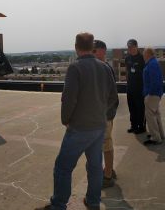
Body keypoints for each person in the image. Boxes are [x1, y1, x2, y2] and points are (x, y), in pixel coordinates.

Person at [42, 33, 118, 210]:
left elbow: (69, 99)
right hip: (99, 127)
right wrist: (103, 115)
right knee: (94, 167)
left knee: (63, 167)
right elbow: (113, 97)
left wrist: (66, 120)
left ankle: (59, 205)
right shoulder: (105, 67)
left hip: (80, 128)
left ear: (76, 47)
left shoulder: (75, 68)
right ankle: (92, 202)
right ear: (92, 47)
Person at [93, 40, 119, 188]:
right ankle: (109, 170)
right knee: (105, 144)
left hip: (104, 116)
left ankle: (108, 176)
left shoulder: (103, 68)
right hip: (105, 115)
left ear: (101, 51)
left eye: (94, 51)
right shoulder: (104, 67)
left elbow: (111, 96)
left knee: (106, 144)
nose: (92, 54)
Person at [142, 47, 164, 145]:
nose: (143, 54)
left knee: (150, 116)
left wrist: (149, 93)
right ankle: (160, 134)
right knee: (156, 115)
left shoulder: (152, 64)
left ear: (148, 54)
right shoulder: (153, 63)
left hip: (152, 94)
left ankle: (155, 137)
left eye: (144, 53)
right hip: (156, 94)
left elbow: (155, 81)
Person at [125, 39, 146, 134]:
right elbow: (128, 71)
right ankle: (133, 125)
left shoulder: (142, 58)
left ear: (136, 46)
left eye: (132, 47)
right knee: (131, 107)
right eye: (128, 47)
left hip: (139, 88)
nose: (130, 49)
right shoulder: (127, 58)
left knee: (140, 108)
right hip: (130, 87)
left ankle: (141, 127)